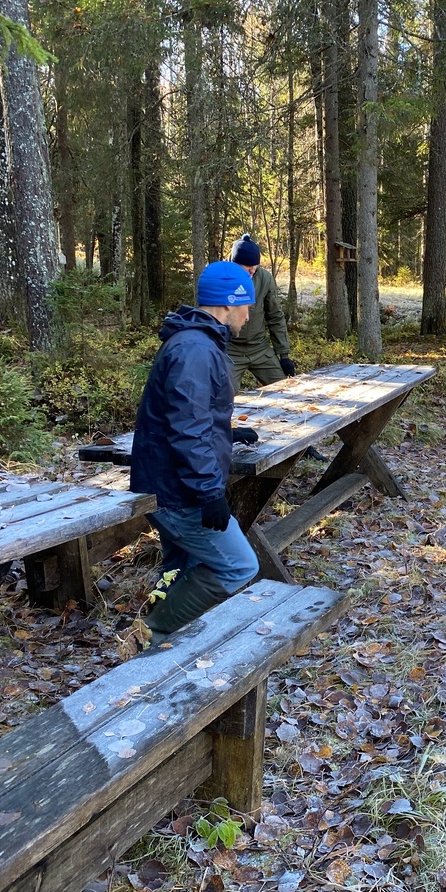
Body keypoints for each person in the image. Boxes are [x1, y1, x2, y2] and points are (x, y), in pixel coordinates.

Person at [131, 260, 262, 642]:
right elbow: (187, 429)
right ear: (227, 305)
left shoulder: (196, 343)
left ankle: (170, 640)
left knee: (184, 566)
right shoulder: (195, 350)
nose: (249, 314)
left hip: (174, 484)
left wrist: (228, 433)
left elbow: (190, 415)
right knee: (238, 566)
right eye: (246, 306)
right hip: (178, 493)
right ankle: (152, 632)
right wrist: (208, 493)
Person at [226, 234, 296, 392]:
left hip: (259, 348)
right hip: (230, 350)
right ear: (235, 264)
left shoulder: (264, 278)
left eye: (255, 265)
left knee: (285, 390)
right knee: (224, 396)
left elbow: (275, 316)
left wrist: (283, 355)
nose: (252, 269)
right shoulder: (220, 278)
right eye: (247, 265)